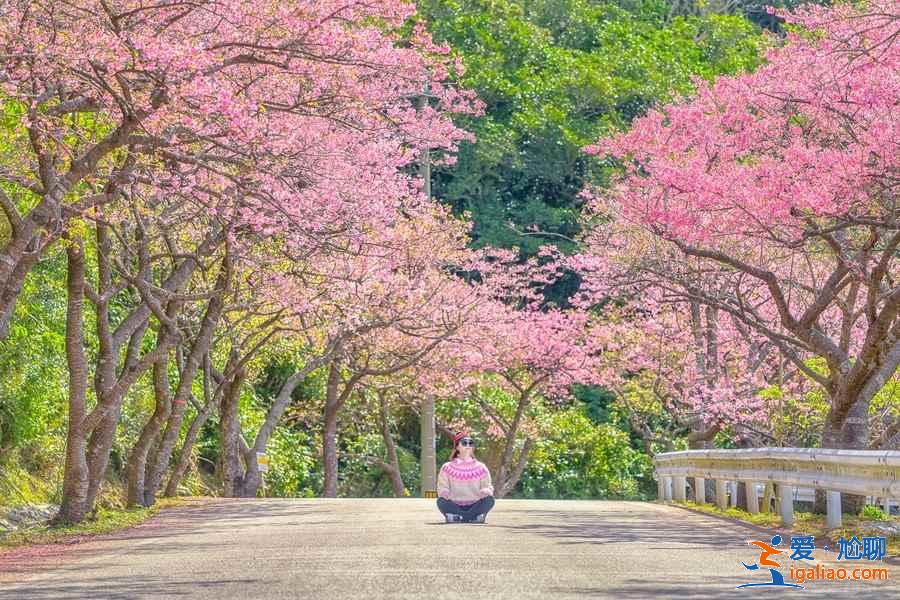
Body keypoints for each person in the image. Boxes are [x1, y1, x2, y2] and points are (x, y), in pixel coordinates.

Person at [436, 431, 495, 523]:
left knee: (489, 500)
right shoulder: (447, 467)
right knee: (441, 502)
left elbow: (487, 485)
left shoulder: (481, 467)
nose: (468, 445)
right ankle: (474, 517)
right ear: (457, 447)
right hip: (454, 504)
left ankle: (458, 517)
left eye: (470, 443)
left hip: (475, 504)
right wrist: (444, 492)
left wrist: (486, 491)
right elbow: (442, 486)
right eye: (464, 443)